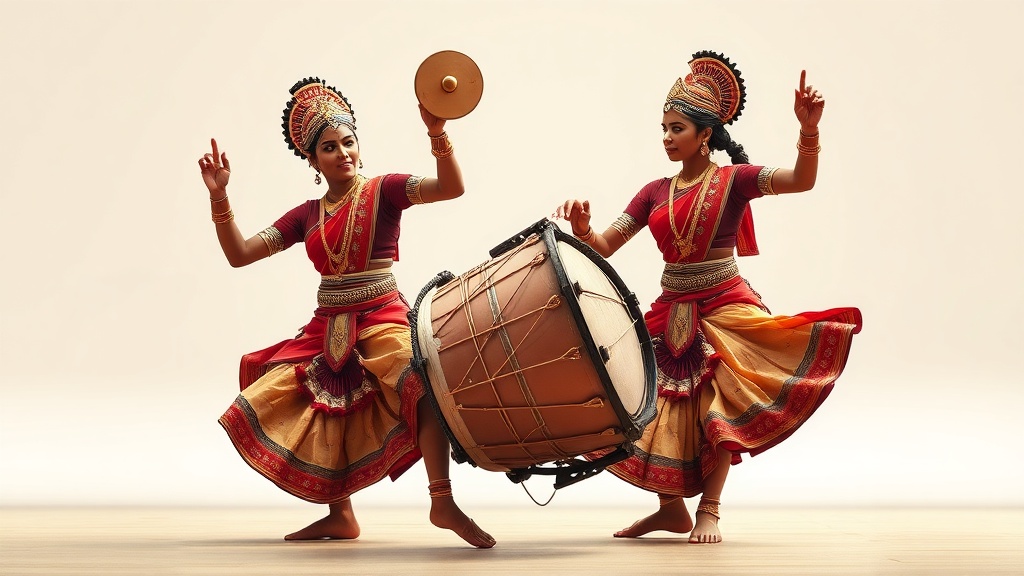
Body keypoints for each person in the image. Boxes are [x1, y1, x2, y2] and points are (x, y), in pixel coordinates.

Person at [555, 51, 862, 544]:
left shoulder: (734, 180)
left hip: (724, 306)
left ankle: (710, 511)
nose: (666, 137)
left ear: (705, 134)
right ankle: (670, 510)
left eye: (677, 128)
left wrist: (809, 130)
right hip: (669, 308)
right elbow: (605, 246)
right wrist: (584, 229)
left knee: (713, 405)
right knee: (650, 403)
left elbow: (801, 181)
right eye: (664, 128)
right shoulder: (654, 192)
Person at [197, 77, 495, 548]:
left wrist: (437, 133)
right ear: (313, 162)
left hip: (381, 315)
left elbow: (451, 187)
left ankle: (442, 501)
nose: (343, 153)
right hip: (328, 324)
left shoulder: (385, 190)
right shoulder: (306, 215)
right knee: (314, 401)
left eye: (348, 141)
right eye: (329, 147)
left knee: (419, 380)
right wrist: (220, 196)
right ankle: (341, 516)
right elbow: (240, 253)